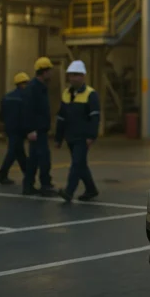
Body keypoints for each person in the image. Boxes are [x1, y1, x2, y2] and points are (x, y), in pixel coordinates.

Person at [56, 60, 100, 203]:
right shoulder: (66, 94)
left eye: (76, 75)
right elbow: (61, 117)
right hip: (70, 136)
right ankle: (91, 189)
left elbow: (95, 117)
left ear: (83, 76)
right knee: (80, 164)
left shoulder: (90, 94)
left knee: (76, 163)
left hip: (82, 137)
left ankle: (69, 191)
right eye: (71, 75)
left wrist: (91, 136)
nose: (73, 78)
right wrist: (58, 137)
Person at [22, 57, 57, 196]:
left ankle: (28, 186)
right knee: (44, 159)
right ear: (44, 71)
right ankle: (45, 185)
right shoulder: (33, 88)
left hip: (40, 129)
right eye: (49, 71)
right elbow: (27, 109)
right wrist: (30, 130)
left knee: (34, 160)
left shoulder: (40, 87)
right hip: (37, 130)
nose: (51, 74)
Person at [0, 72, 30, 185]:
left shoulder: (7, 96)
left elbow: (0, 114)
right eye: (26, 83)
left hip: (9, 128)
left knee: (19, 152)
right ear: (22, 84)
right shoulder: (24, 97)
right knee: (13, 152)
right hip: (19, 129)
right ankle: (2, 175)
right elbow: (26, 114)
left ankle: (28, 174)